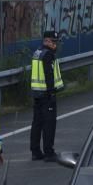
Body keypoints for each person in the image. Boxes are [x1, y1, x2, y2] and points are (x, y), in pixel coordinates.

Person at [30, 30, 65, 161]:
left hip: (37, 93)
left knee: (37, 123)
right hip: (46, 94)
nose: (55, 45)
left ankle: (35, 151)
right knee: (49, 124)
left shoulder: (37, 53)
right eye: (53, 42)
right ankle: (49, 152)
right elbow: (48, 75)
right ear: (47, 41)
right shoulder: (48, 55)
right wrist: (51, 93)